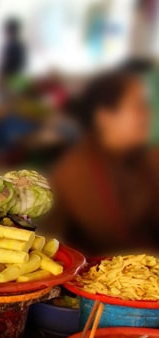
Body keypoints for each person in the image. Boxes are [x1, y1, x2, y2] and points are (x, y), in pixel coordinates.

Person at [48, 68, 159, 255]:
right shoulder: (76, 172)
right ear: (104, 117)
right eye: (138, 107)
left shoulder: (142, 157)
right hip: (109, 274)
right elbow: (120, 244)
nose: (147, 115)